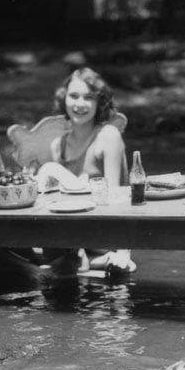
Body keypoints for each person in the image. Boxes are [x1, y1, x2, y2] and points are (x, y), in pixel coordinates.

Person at [37, 67, 135, 274]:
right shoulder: (58, 146)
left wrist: (123, 249)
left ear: (99, 103)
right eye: (73, 96)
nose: (80, 104)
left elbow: (116, 200)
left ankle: (88, 258)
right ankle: (84, 259)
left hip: (102, 231)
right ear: (64, 99)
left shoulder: (108, 136)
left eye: (88, 98)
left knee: (50, 168)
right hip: (68, 233)